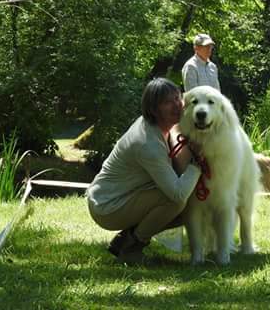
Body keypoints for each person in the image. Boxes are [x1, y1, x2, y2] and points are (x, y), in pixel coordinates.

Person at [86, 78, 201, 264]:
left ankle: (125, 239)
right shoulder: (148, 144)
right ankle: (132, 248)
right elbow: (178, 194)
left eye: (177, 98)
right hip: (108, 207)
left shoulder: (153, 125)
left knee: (184, 199)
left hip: (111, 198)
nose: (177, 106)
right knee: (177, 202)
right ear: (154, 110)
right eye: (167, 102)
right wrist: (197, 163)